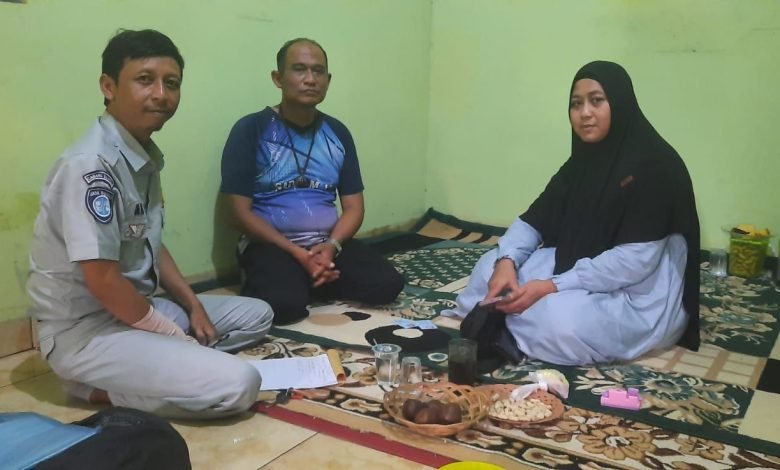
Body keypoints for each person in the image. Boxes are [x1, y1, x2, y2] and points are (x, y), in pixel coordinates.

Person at [27, 29, 273, 419]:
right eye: (145, 80)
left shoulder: (141, 156)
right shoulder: (91, 166)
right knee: (239, 384)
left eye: (171, 83)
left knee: (257, 313)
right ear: (108, 86)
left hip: (137, 308)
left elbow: (151, 244)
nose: (161, 94)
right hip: (88, 331)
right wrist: (172, 334)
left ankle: (166, 365)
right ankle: (94, 389)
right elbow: (103, 280)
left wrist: (193, 306)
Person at [444, 61, 700, 366]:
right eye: (576, 104)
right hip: (579, 262)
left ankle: (507, 324)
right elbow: (534, 220)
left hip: (639, 292)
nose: (585, 113)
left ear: (619, 103)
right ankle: (517, 326)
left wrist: (552, 286)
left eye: (596, 101)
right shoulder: (581, 162)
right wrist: (506, 262)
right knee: (488, 271)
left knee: (563, 320)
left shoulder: (656, 167)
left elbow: (633, 263)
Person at [220, 38, 404, 325]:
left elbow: (354, 208)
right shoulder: (251, 129)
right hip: (273, 246)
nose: (310, 79)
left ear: (328, 81)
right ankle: (306, 277)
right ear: (278, 78)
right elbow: (237, 213)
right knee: (283, 306)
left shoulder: (337, 132)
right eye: (299, 69)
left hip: (326, 244)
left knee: (388, 284)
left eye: (318, 71)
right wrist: (296, 252)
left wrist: (331, 247)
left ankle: (313, 273)